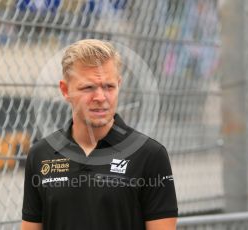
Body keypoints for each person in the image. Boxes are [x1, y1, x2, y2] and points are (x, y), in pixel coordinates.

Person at [21, 39, 178, 230]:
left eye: (109, 87)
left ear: (119, 85)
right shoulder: (40, 155)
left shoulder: (150, 155)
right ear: (65, 90)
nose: (101, 97)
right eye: (88, 88)